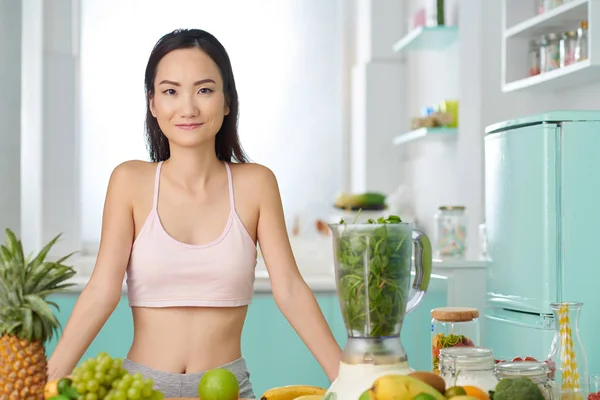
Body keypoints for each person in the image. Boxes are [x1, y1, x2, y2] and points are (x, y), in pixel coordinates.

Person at [47, 28, 342, 398]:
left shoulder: (256, 184)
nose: (188, 107)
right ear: (152, 103)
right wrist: (45, 380)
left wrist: (348, 378)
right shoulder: (129, 182)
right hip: (138, 389)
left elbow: (290, 290)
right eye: (170, 91)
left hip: (227, 389)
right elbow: (101, 292)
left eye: (204, 90)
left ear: (227, 100)